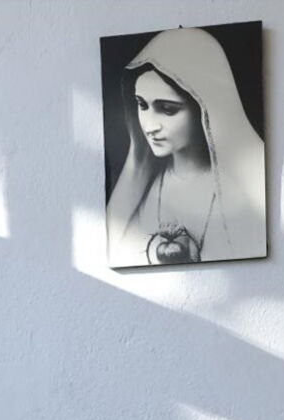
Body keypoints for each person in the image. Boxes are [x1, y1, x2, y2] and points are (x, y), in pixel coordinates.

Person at [105, 28, 266, 267]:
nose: (150, 126)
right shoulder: (141, 190)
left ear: (204, 109)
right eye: (142, 105)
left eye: (168, 109)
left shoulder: (244, 191)